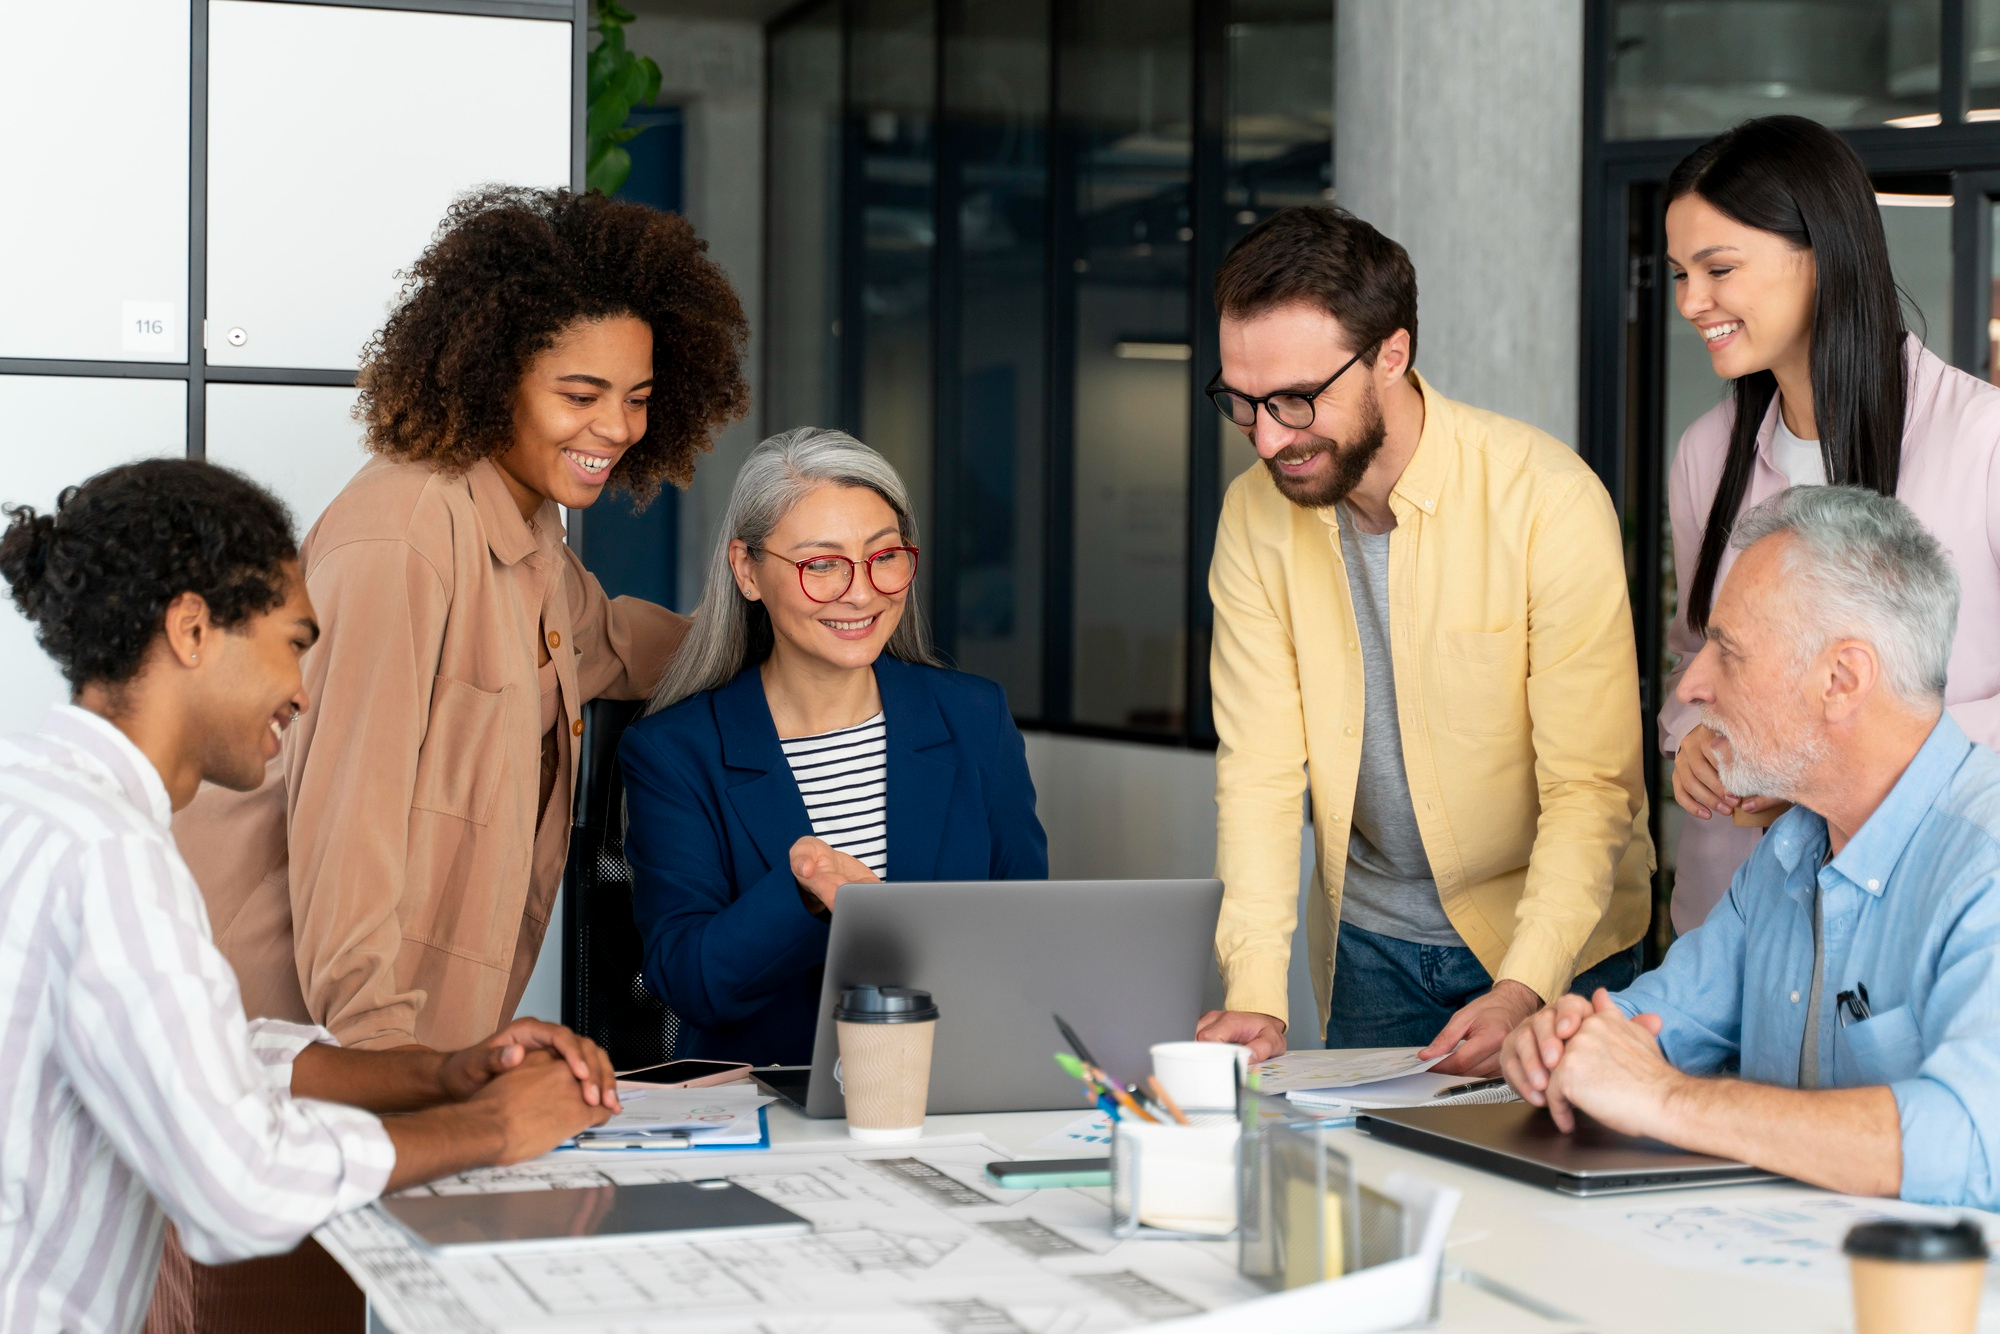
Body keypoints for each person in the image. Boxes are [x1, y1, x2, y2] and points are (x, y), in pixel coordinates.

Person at [156, 186, 748, 1330]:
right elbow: (345, 824)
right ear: (489, 375)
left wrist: (776, 631)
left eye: (635, 396)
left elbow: (606, 642)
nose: (615, 426)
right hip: (298, 1058)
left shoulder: (520, 529)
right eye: (579, 393)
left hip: (392, 1063)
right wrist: (399, 1092)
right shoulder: (404, 532)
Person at [0, 461, 620, 1334]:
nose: (302, 687)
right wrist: (491, 1130)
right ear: (190, 630)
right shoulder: (110, 857)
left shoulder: (36, 796)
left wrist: (439, 1072)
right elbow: (237, 1183)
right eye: (295, 644)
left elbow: (206, 1052)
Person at [1193, 206, 1654, 1075]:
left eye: (1296, 399)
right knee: (1369, 1198)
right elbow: (1257, 768)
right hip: (1373, 946)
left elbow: (1591, 788)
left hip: (1558, 943)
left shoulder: (1547, 502)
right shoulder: (1253, 514)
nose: (1267, 436)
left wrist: (1525, 986)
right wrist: (1254, 989)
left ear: (1391, 356)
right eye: (1241, 402)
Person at [1502, 486, 2000, 1207]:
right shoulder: (1789, 849)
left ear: (1841, 679)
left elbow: (1977, 1140)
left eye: (1728, 654)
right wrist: (1566, 1040)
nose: (1693, 686)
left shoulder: (1984, 861)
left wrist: (1669, 1099)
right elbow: (1651, 1027)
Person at [1660, 115, 2000, 933]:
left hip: (1934, 918)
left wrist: (1836, 761)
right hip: (1737, 923)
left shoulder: (1983, 439)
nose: (1690, 303)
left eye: (1718, 269)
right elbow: (1698, 660)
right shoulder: (1707, 456)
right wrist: (1698, 744)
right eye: (1678, 274)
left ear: (1819, 253)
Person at [620, 428, 1047, 1066]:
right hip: (769, 1100)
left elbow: (1027, 932)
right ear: (747, 570)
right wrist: (804, 893)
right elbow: (690, 982)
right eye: (821, 564)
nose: (862, 591)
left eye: (885, 556)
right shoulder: (675, 751)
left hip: (952, 1087)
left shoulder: (972, 716)